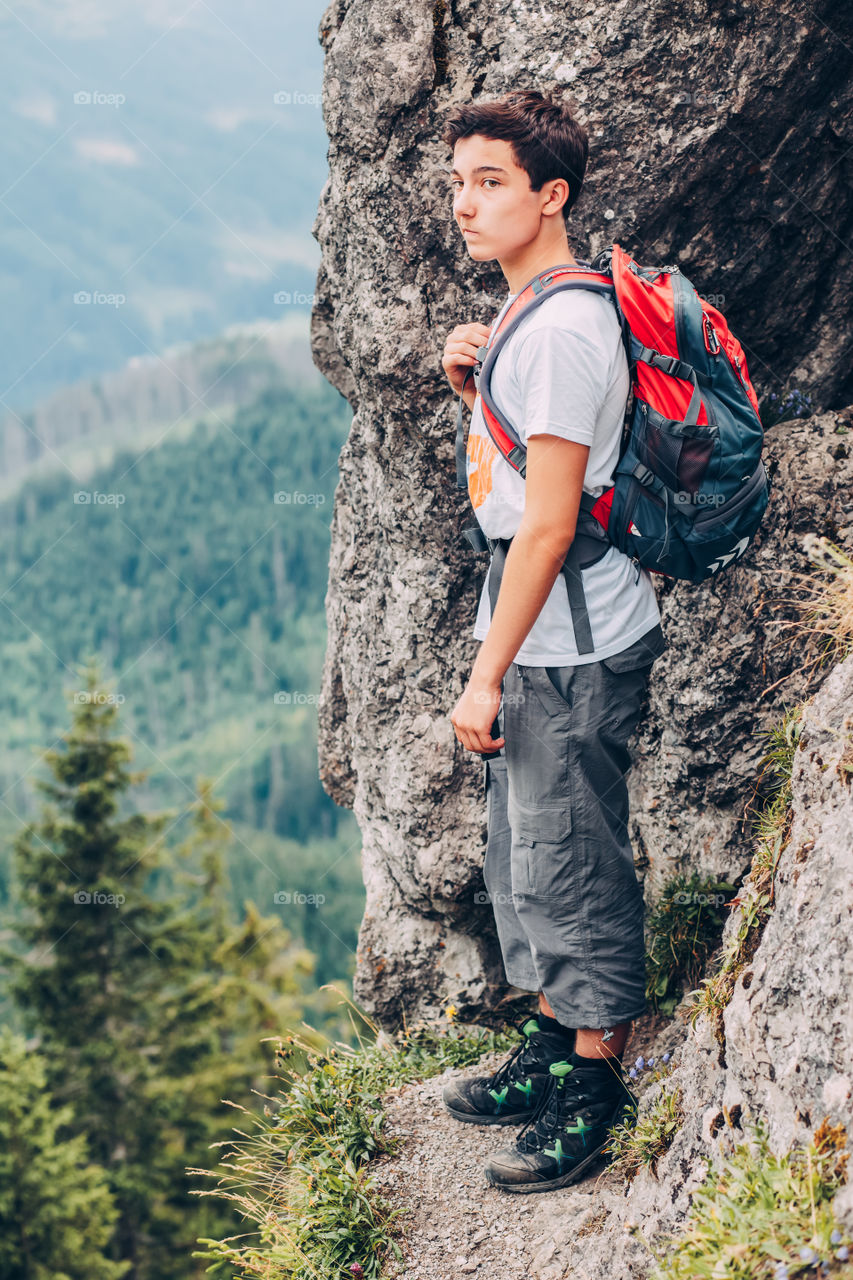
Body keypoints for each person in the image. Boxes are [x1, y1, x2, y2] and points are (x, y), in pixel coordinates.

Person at [439, 89, 665, 1193]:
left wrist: (486, 675)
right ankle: (548, 1032)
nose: (466, 205)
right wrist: (473, 384)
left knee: (574, 863)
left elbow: (552, 521)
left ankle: (593, 1079)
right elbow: (523, 470)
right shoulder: (531, 315)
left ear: (551, 195)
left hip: (567, 644)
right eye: (457, 183)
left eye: (490, 183)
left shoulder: (565, 332)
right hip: (533, 634)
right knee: (526, 856)